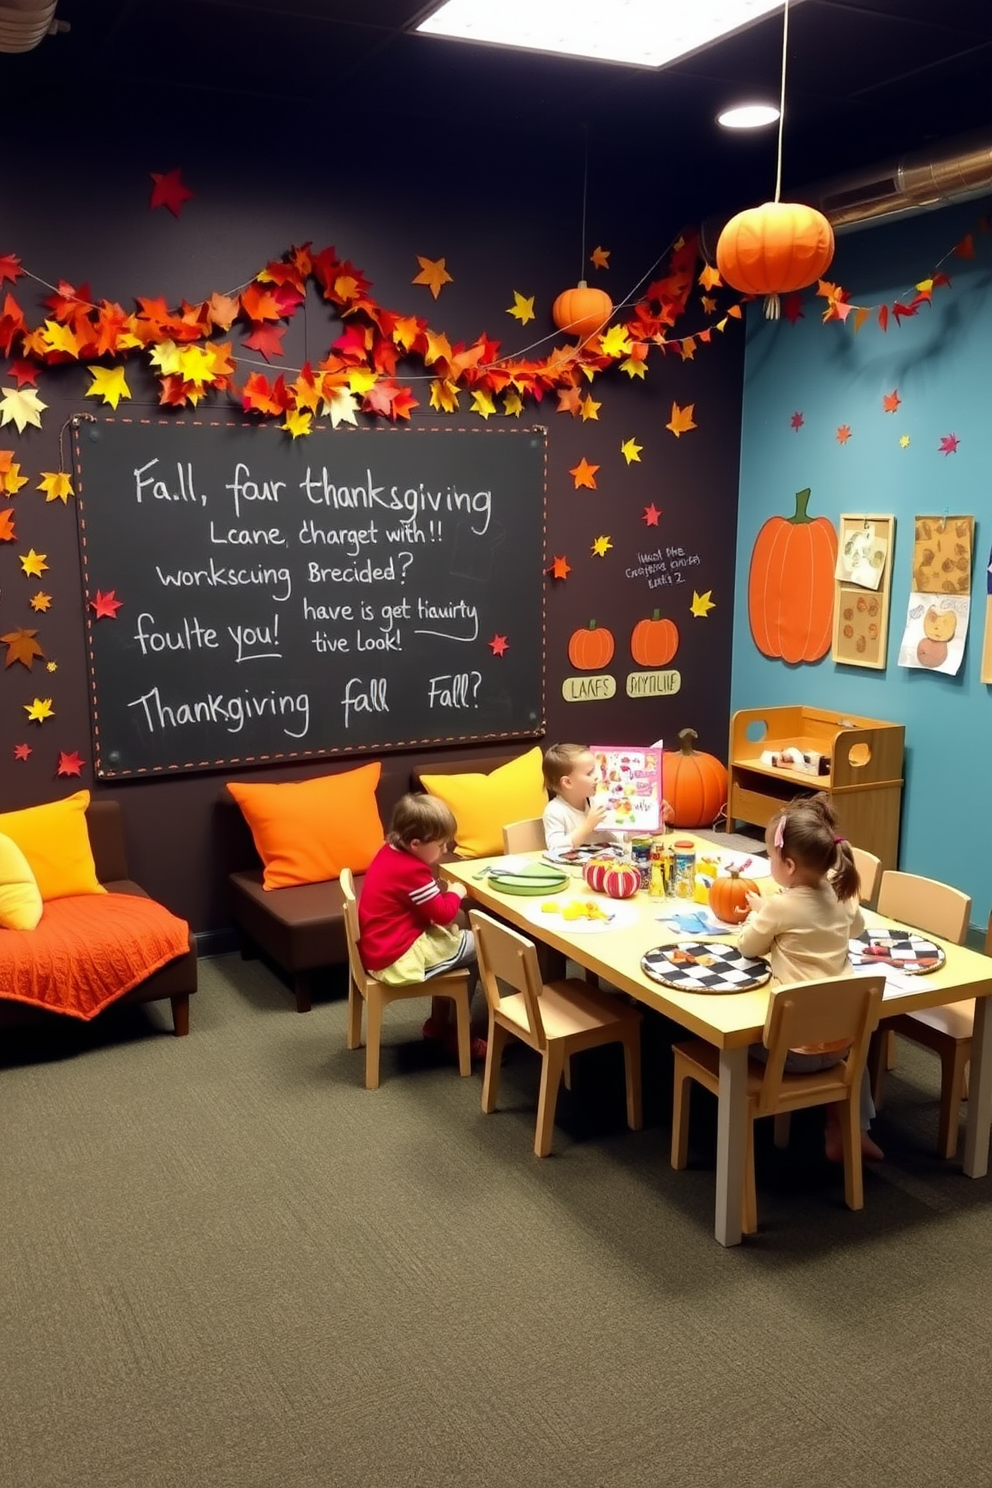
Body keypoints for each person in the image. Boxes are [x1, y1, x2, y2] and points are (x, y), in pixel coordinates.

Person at [736, 792, 884, 1163]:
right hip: (842, 1045)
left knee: (719, 1037)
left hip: (788, 1054)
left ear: (786, 864)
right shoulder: (843, 893)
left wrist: (759, 914)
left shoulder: (781, 905)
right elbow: (856, 929)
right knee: (854, 1046)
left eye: (769, 855)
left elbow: (748, 948)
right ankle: (850, 1130)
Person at [358, 793, 485, 1060]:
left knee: (463, 934)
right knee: (480, 944)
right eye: (440, 845)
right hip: (396, 956)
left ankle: (439, 1024)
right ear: (415, 844)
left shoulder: (389, 852)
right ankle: (458, 1034)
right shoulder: (412, 871)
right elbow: (443, 915)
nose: (445, 851)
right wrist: (456, 891)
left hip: (380, 945)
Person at [541, 742, 674, 853]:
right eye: (590, 773)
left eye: (597, 769)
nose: (598, 776)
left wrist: (652, 822)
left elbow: (621, 837)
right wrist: (588, 825)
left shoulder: (596, 801)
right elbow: (555, 849)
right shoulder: (555, 810)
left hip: (608, 867)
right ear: (568, 782)